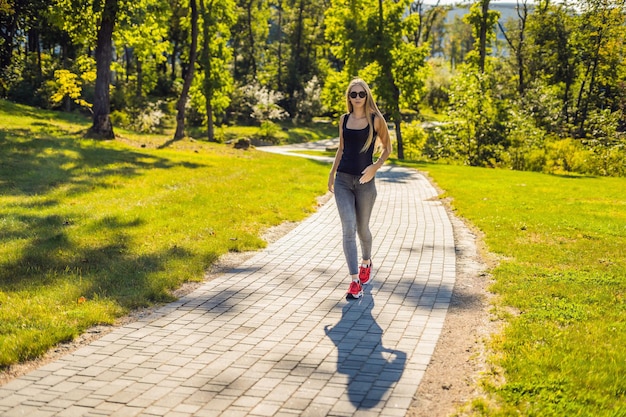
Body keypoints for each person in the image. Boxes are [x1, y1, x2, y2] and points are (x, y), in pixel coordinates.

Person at [328, 78, 392, 300]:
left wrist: (375, 167)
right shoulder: (344, 119)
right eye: (352, 94)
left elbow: (388, 148)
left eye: (361, 94)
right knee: (348, 228)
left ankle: (367, 261)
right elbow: (341, 148)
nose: (357, 98)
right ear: (348, 97)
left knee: (362, 228)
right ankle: (355, 281)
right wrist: (331, 173)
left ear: (367, 95)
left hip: (365, 183)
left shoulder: (375, 119)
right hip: (343, 180)